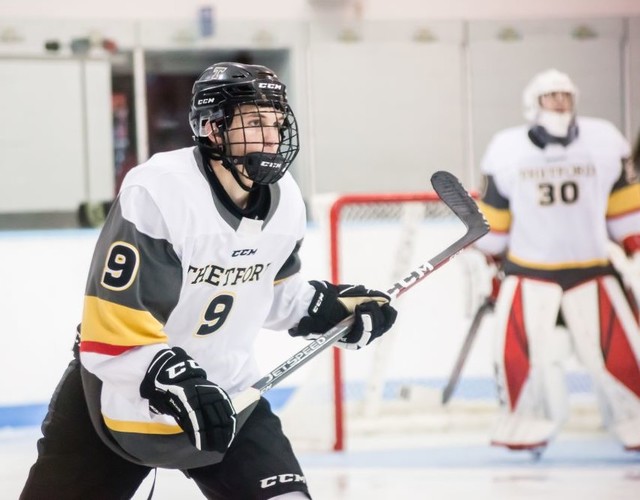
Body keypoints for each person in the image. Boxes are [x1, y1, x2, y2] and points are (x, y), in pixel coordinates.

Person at [21, 62, 397, 499]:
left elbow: (273, 294)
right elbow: (112, 326)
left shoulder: (286, 198)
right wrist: (175, 378)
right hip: (119, 397)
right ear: (214, 129)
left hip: (228, 395)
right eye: (255, 122)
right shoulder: (159, 191)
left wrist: (329, 309)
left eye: (276, 122)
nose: (272, 136)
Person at [474, 68, 640, 454]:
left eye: (566, 96)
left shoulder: (604, 141)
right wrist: (489, 256)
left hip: (592, 268)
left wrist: (632, 241)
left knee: (624, 352)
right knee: (518, 356)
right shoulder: (506, 148)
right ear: (534, 104)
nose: (560, 104)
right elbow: (495, 221)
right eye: (552, 97)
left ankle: (634, 422)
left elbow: (622, 209)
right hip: (529, 272)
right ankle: (524, 425)